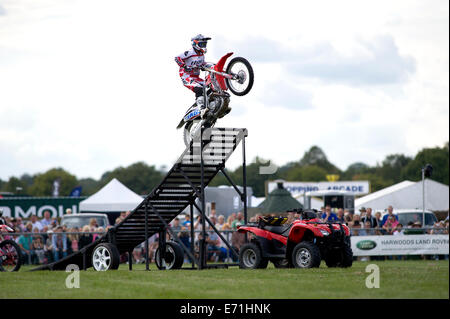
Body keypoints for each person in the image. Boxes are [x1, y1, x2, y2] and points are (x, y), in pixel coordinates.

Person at [175, 34, 214, 119]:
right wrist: (184, 66)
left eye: (204, 44)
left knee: (209, 88)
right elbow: (177, 58)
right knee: (199, 89)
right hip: (186, 76)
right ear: (195, 44)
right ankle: (201, 109)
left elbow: (203, 64)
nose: (203, 46)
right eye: (201, 44)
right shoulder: (190, 52)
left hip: (196, 77)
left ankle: (212, 106)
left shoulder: (201, 55)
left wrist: (210, 66)